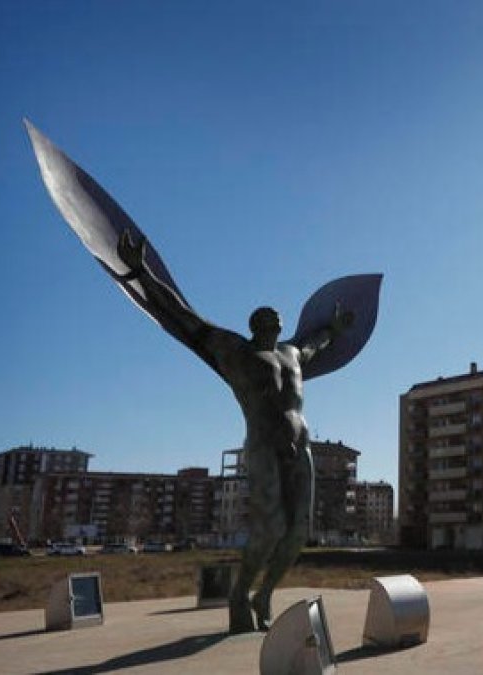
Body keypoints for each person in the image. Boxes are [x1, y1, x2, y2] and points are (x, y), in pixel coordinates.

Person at [116, 229, 354, 634]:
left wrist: (333, 328)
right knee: (271, 528)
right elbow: (187, 319)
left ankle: (264, 595)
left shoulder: (292, 353)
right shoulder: (236, 351)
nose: (276, 317)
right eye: (268, 315)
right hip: (263, 445)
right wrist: (143, 274)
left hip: (302, 446)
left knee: (298, 533)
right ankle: (240, 591)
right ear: (255, 323)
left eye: (278, 316)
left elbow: (317, 343)